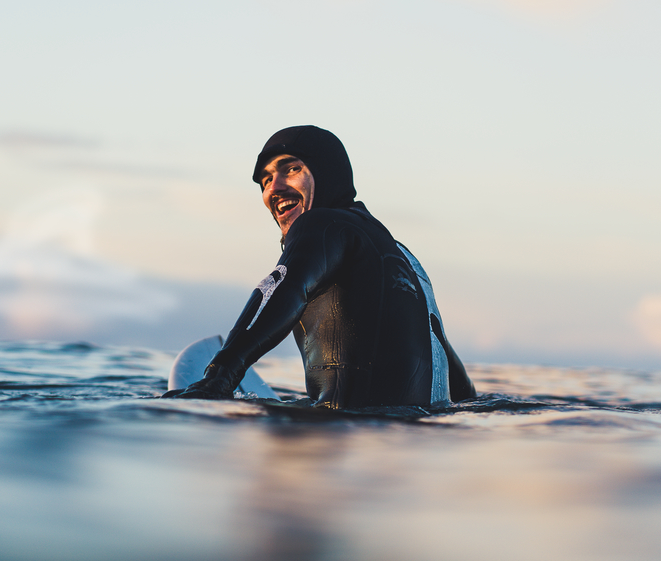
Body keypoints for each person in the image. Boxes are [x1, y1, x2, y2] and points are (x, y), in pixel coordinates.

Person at [164, 126, 475, 409]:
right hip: (408, 449)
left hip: (342, 442)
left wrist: (219, 377)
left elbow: (284, 286)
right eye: (266, 180)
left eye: (292, 169)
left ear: (328, 174)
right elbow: (453, 378)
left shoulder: (323, 223)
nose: (274, 189)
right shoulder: (405, 260)